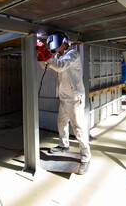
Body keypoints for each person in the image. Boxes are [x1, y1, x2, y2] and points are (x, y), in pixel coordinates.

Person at [37, 32, 91, 175]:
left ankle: (86, 157)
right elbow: (48, 67)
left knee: (78, 128)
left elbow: (60, 67)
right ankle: (63, 146)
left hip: (74, 97)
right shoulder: (58, 56)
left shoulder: (73, 54)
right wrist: (42, 58)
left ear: (64, 42)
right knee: (61, 122)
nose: (54, 47)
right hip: (64, 96)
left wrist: (46, 54)